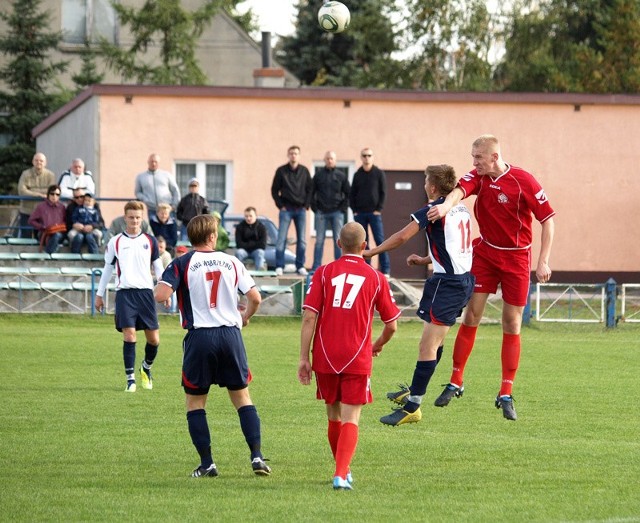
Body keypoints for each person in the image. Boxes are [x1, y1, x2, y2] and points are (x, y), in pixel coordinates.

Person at [427, 135, 556, 421]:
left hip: (517, 258)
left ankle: (506, 392)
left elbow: (548, 220)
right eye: (472, 157)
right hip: (485, 253)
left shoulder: (524, 181)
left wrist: (543, 260)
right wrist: (446, 206)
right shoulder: (478, 177)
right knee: (471, 315)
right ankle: (456, 381)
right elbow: (459, 191)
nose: (473, 163)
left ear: (494, 157)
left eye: (478, 158)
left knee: (511, 322)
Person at [153, 214, 271, 478]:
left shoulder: (182, 263)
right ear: (212, 236)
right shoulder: (232, 261)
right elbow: (255, 297)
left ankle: (207, 464)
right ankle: (256, 457)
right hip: (230, 335)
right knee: (242, 398)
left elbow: (161, 295)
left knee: (196, 403)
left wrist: (160, 288)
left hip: (200, 338)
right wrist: (245, 317)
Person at [363, 165, 475, 426]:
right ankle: (414, 389)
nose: (425, 184)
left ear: (433, 187)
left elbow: (402, 236)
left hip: (447, 284)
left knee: (427, 346)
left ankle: (413, 405)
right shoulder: (460, 208)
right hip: (459, 280)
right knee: (434, 341)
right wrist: (426, 258)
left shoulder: (435, 209)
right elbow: (457, 246)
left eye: (426, 181)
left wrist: (372, 252)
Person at [298, 222, 401, 490]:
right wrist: (377, 344)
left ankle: (342, 469)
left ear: (339, 245)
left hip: (325, 354)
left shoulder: (322, 273)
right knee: (351, 417)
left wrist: (303, 358)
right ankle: (341, 474)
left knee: (333, 415)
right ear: (365, 247)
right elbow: (391, 325)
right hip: (357, 355)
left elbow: (309, 316)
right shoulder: (377, 278)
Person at [95, 200, 165, 393]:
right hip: (125, 294)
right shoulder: (115, 241)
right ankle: (130, 380)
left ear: (142, 219)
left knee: (154, 340)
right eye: (131, 217)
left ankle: (146, 368)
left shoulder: (150, 241)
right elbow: (107, 269)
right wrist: (99, 295)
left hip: (145, 294)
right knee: (130, 335)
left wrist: (165, 289)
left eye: (138, 217)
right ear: (125, 218)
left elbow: (158, 267)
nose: (135, 221)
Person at [270, 145, 312, 276]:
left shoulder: (305, 171)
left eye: (296, 153)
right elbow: (274, 190)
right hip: (286, 210)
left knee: (302, 240)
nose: (293, 155)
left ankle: (300, 266)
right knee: (281, 239)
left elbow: (310, 189)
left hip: (300, 210)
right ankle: (279, 266)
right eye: (291, 153)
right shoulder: (281, 171)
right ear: (288, 155)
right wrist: (280, 205)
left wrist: (306, 205)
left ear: (299, 155)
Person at [349, 147, 390, 276]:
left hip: (374, 213)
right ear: (361, 158)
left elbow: (383, 192)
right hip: (360, 214)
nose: (367, 158)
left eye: (369, 155)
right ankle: (366, 268)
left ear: (372, 157)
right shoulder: (357, 174)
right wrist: (354, 210)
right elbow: (352, 194)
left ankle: (386, 269)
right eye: (364, 155)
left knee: (380, 241)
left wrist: (379, 209)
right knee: (362, 242)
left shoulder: (379, 173)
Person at [311, 151, 350, 272]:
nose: (329, 160)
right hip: (321, 212)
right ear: (324, 160)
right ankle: (316, 266)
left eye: (332, 158)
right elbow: (311, 193)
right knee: (319, 240)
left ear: (335, 160)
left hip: (337, 213)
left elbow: (348, 193)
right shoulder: (318, 175)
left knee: (338, 240)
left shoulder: (341, 175)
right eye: (327, 158)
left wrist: (342, 209)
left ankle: (339, 266)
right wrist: (315, 208)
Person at [17, 152, 56, 238]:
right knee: (25, 238)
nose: (39, 162)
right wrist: (39, 194)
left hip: (43, 213)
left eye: (41, 161)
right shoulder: (25, 174)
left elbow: (52, 192)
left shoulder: (50, 175)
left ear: (45, 163)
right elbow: (21, 191)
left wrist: (31, 190)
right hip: (26, 211)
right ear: (33, 162)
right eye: (36, 160)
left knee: (41, 238)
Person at [134, 153, 180, 219]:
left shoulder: (166, 175)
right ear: (148, 162)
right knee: (154, 229)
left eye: (156, 162)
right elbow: (137, 192)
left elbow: (175, 191)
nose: (154, 163)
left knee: (170, 229)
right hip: (152, 210)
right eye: (152, 161)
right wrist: (145, 199)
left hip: (167, 209)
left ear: (159, 163)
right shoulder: (141, 177)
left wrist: (174, 206)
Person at [27, 185, 67, 254]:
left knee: (57, 235)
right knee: (56, 236)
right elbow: (31, 220)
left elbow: (65, 220)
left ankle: (47, 253)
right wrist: (42, 227)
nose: (54, 196)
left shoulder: (62, 207)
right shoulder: (41, 206)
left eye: (57, 194)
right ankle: (51, 251)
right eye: (52, 194)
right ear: (48, 194)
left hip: (58, 232)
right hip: (44, 232)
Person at [235, 206, 268, 271]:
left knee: (260, 252)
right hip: (244, 251)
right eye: (246, 216)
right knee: (239, 252)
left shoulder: (262, 227)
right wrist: (254, 244)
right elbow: (239, 244)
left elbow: (263, 245)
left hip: (256, 251)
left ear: (255, 216)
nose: (248, 218)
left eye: (250, 216)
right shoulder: (240, 227)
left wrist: (247, 244)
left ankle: (259, 273)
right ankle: (239, 272)